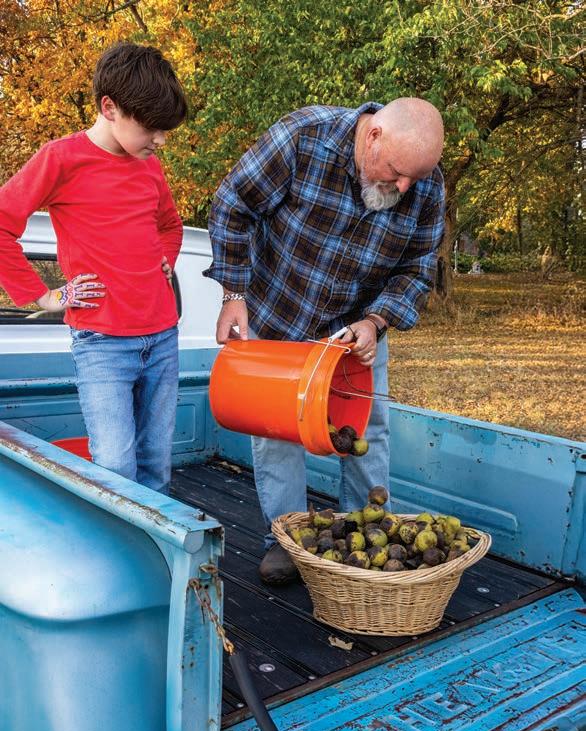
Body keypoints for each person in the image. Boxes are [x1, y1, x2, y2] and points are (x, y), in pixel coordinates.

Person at [204, 98, 445, 583]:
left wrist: (375, 321)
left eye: (414, 179)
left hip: (357, 331)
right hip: (280, 314)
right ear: (373, 136)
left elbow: (418, 269)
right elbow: (233, 204)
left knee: (368, 430)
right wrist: (233, 293)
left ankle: (366, 531)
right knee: (277, 434)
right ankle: (288, 541)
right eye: (397, 172)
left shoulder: (427, 185)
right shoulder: (302, 137)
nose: (403, 187)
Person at [0, 42, 187, 493]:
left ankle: (158, 541)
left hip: (163, 335)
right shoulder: (60, 158)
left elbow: (170, 225)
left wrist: (166, 259)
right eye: (151, 129)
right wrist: (44, 296)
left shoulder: (150, 166)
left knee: (157, 462)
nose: (160, 141)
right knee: (116, 467)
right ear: (109, 108)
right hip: (102, 342)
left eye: (164, 131)